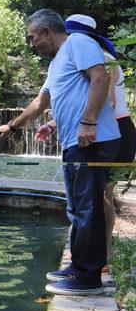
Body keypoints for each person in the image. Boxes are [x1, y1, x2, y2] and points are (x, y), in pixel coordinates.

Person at [0, 9, 121, 296]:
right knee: (77, 209)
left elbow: (100, 79)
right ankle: (78, 268)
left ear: (48, 32)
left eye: (32, 37)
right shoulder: (55, 65)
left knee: (88, 208)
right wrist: (11, 127)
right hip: (75, 144)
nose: (31, 44)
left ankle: (88, 279)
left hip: (92, 140)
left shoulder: (79, 43)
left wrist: (88, 122)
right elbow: (40, 103)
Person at [34, 14, 136, 269]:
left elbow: (108, 103)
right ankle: (93, 255)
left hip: (116, 130)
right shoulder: (80, 55)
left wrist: (88, 123)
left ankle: (101, 256)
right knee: (96, 199)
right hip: (104, 129)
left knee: (98, 199)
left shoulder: (103, 59)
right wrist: (54, 123)